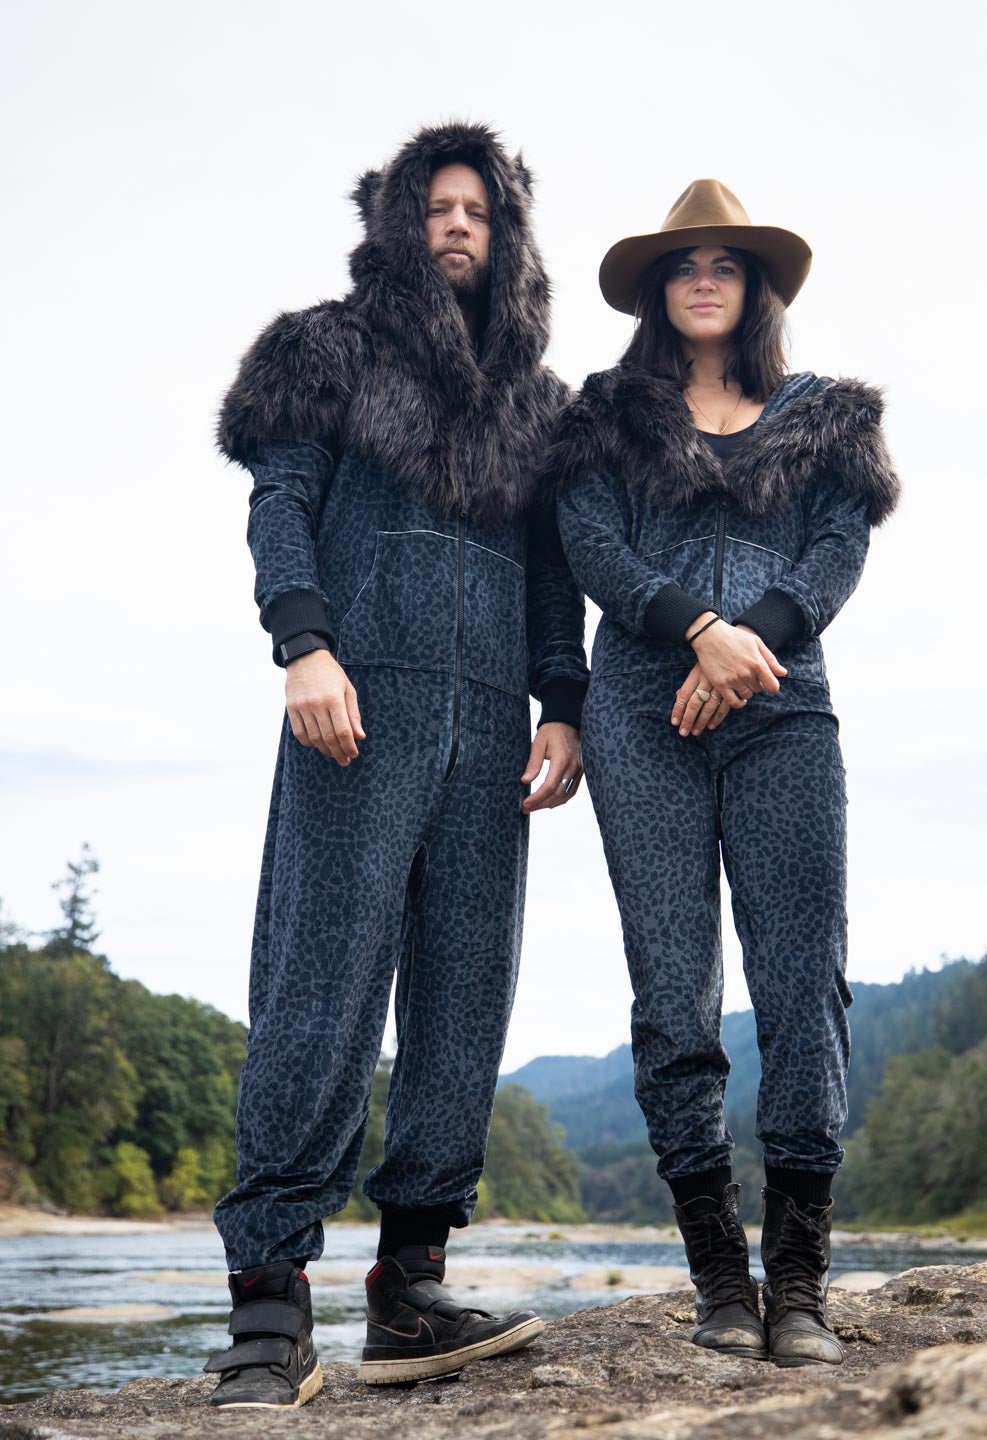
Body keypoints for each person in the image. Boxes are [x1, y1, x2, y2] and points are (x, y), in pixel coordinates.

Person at [204, 122, 588, 1408]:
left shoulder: (537, 405)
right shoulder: (328, 347)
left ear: (508, 229)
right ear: (399, 221)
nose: (458, 223)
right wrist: (303, 645)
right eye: (436, 205)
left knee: (467, 992)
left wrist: (564, 703)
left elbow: (549, 577)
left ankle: (411, 1291)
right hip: (353, 707)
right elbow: (278, 502)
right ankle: (269, 1303)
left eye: (479, 206)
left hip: (494, 730)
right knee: (321, 978)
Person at [548, 180, 899, 1367]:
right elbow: (591, 547)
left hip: (786, 714)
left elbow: (834, 556)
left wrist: (747, 651)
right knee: (671, 991)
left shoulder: (825, 418)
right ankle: (719, 1280)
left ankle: (798, 1284)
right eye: (684, 263)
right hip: (641, 721)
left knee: (806, 984)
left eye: (728, 264)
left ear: (755, 289)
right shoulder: (604, 416)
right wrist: (698, 628)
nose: (705, 278)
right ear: (657, 288)